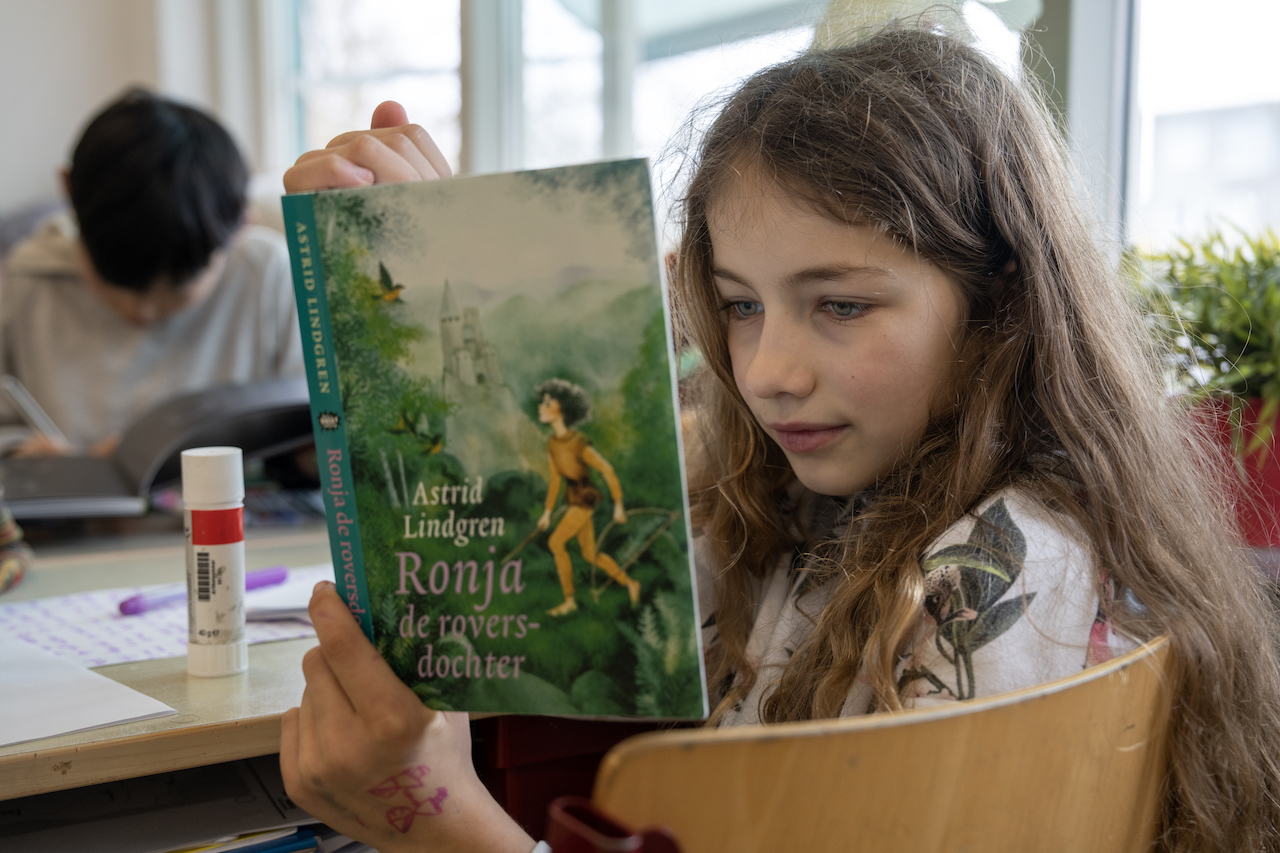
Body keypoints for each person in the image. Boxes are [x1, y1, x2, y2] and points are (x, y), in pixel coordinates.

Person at [277, 25, 1280, 853]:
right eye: (739, 306)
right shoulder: (805, 502)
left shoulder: (1002, 570)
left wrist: (438, 825)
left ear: (999, 309)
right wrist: (437, 252)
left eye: (838, 305)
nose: (764, 371)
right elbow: (528, 599)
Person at [0, 89, 304, 457]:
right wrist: (21, 454)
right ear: (69, 195)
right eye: (115, 281)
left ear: (240, 226)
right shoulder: (23, 282)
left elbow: (309, 427)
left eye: (178, 289)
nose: (141, 311)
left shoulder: (268, 276)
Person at [534, 378, 640, 616]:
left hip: (584, 501)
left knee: (555, 543)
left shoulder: (578, 443)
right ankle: (630, 583)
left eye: (548, 403)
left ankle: (569, 600)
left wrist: (618, 506)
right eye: (542, 402)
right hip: (572, 499)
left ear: (563, 410)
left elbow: (607, 470)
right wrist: (547, 513)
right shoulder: (552, 444)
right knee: (589, 554)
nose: (541, 406)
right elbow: (555, 481)